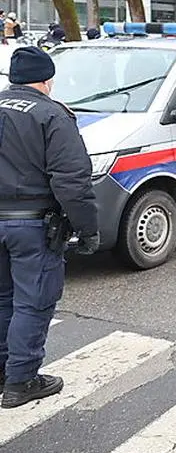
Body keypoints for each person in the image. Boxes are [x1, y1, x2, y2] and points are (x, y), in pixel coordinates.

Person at [0, 48, 100, 408]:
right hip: (31, 224)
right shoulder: (51, 114)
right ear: (46, 80)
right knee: (33, 302)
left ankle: (3, 370)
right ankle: (21, 380)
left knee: (2, 299)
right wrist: (88, 229)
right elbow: (72, 180)